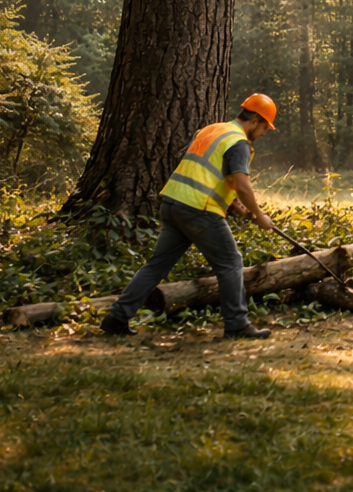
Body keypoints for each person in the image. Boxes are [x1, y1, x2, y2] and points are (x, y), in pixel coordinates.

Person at [101, 94, 280, 339]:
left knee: (156, 265)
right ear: (255, 121)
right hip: (199, 210)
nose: (263, 134)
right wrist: (259, 215)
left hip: (173, 203)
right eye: (264, 128)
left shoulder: (212, 131)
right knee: (231, 263)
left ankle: (117, 318)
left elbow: (211, 174)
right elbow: (242, 185)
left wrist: (242, 210)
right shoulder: (239, 143)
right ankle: (237, 325)